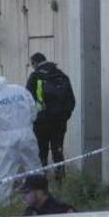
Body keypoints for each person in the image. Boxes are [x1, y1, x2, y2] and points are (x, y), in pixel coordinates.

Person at [0, 76, 40, 207]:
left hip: (5, 138)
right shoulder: (20, 90)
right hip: (27, 134)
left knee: (4, 174)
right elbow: (34, 112)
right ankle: (40, 201)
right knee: (34, 169)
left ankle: (1, 206)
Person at [26, 52, 76, 181]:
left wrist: (32, 118)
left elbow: (27, 100)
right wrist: (64, 116)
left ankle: (42, 181)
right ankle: (61, 180)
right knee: (57, 150)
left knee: (41, 151)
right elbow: (71, 100)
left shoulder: (35, 76)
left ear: (34, 63)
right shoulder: (61, 75)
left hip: (41, 122)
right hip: (59, 122)